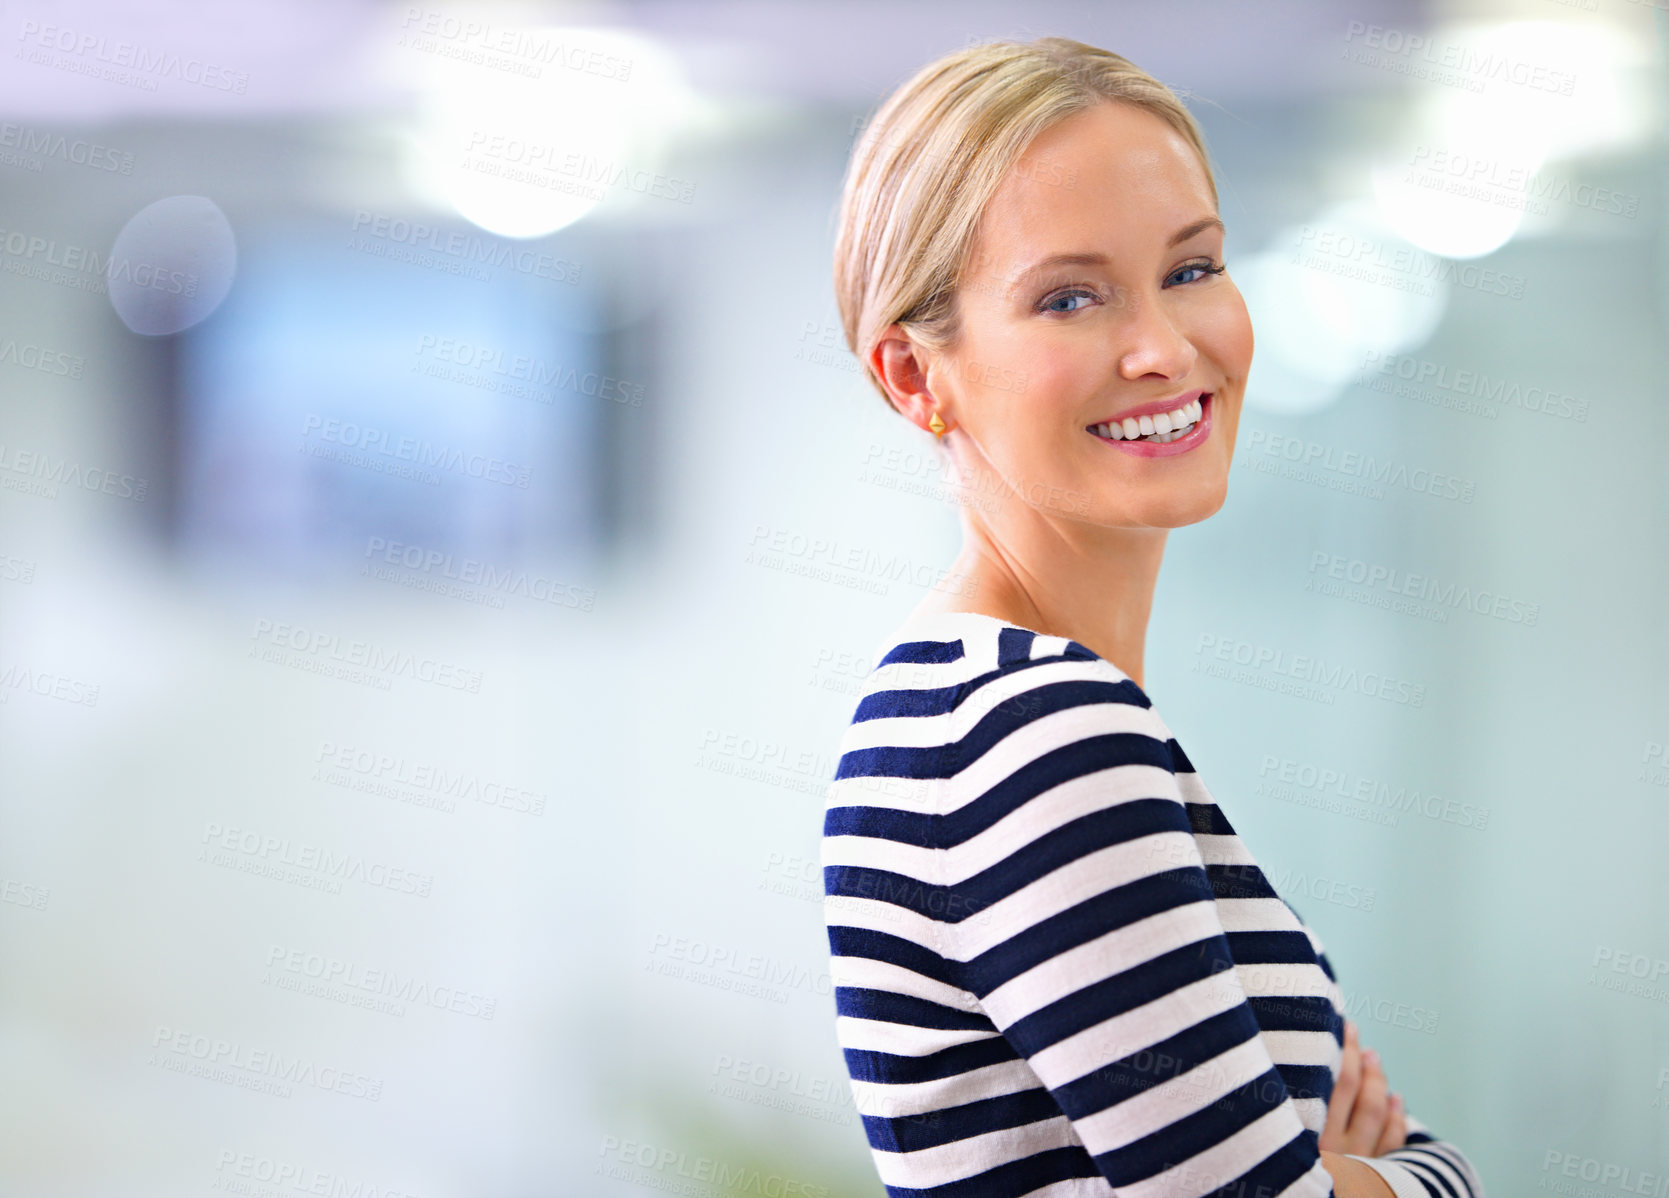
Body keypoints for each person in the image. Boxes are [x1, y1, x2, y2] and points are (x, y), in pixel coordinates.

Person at [820, 36, 1486, 1198]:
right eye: (1069, 297)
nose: (1164, 349)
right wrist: (1433, 1177)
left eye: (1191, 269)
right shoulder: (1030, 732)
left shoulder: (957, 702)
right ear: (915, 377)